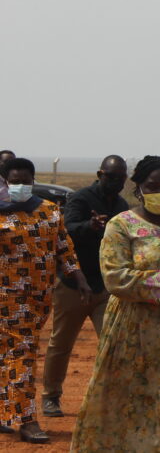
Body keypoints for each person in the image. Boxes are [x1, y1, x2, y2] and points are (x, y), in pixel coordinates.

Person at [71, 156, 160, 452]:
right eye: (153, 186)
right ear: (138, 188)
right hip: (132, 330)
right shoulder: (121, 225)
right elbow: (114, 277)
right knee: (126, 399)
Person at [0, 157, 89, 444]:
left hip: (38, 299)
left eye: (26, 180)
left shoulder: (49, 211)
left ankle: (6, 413)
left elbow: (64, 248)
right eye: (15, 181)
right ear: (5, 182)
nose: (20, 186)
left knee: (12, 354)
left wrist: (79, 277)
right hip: (6, 298)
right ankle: (27, 420)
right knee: (21, 355)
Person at [40, 155, 129, 418]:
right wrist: (89, 226)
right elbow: (66, 231)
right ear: (100, 174)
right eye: (111, 177)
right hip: (73, 285)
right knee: (61, 344)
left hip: (103, 287)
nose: (116, 182)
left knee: (111, 343)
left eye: (121, 178)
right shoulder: (80, 199)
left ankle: (108, 398)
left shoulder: (122, 205)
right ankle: (50, 397)